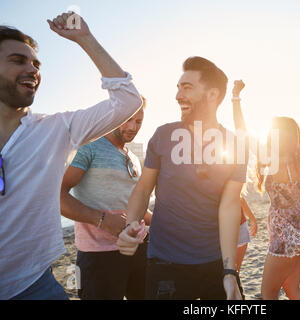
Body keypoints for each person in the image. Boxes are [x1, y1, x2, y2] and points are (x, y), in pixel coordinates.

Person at [0, 12, 143, 300]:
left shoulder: (56, 129)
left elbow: (127, 100)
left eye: (36, 64)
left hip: (33, 285)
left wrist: (85, 39)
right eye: (18, 61)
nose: (32, 70)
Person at [117, 56, 247, 300]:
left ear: (212, 94)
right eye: (178, 87)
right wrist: (129, 227)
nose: (178, 95)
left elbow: (230, 205)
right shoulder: (163, 135)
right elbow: (143, 190)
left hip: (214, 263)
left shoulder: (236, 144)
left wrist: (230, 271)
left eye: (187, 87)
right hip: (164, 264)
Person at [60, 100, 151, 300]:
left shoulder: (134, 158)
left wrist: (168, 220)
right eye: (127, 119)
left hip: (139, 246)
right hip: (99, 256)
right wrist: (101, 219)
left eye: (138, 121)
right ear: (114, 115)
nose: (132, 127)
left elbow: (133, 205)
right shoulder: (88, 147)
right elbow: (57, 195)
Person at [256, 117, 300, 300]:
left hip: (286, 234)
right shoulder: (298, 159)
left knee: (268, 293)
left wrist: (235, 99)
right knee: (293, 289)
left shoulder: (275, 162)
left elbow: (243, 136)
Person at [231, 80, 258, 274]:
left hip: (238, 227)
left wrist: (235, 97)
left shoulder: (234, 164)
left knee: (233, 277)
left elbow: (241, 129)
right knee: (229, 278)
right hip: (216, 231)